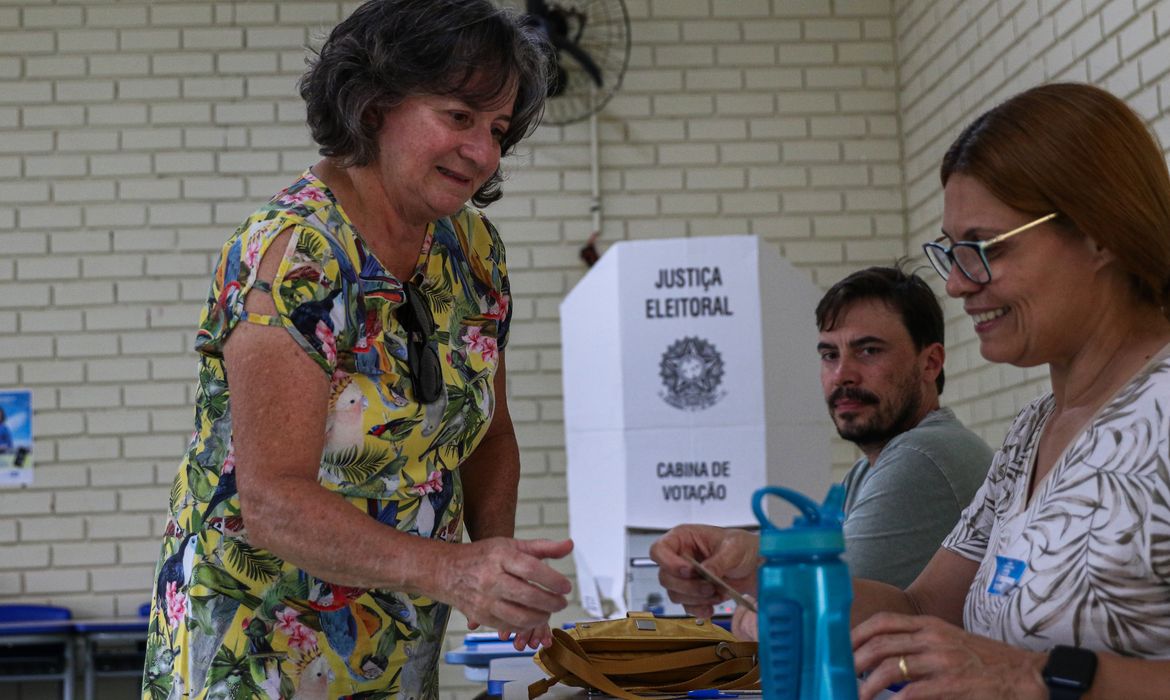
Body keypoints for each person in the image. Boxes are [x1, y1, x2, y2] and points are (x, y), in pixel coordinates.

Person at [651, 82, 1170, 700]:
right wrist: (766, 572)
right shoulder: (1035, 429)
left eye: (983, 249)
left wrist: (1027, 674)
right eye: (950, 252)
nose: (955, 284)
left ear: (1099, 232)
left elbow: (1004, 666)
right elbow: (922, 606)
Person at [142, 2, 574, 698]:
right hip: (259, 650)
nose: (485, 152)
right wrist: (451, 570)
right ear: (373, 105)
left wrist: (498, 571)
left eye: (497, 129)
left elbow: (487, 433)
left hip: (397, 642)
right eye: (460, 117)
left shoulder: (472, 252)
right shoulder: (295, 255)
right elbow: (275, 501)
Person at [816, 265, 992, 588]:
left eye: (868, 351)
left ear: (931, 363)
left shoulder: (922, 457)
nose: (842, 374)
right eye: (829, 354)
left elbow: (816, 609)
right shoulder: (865, 470)